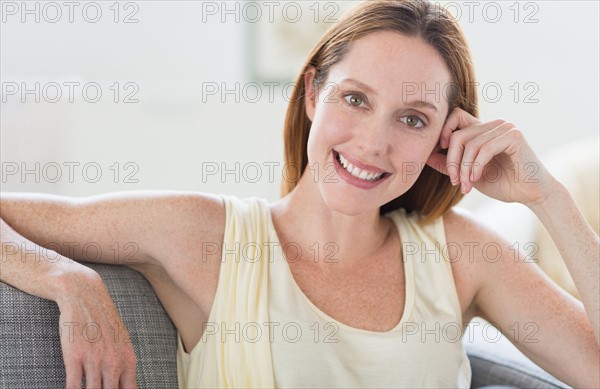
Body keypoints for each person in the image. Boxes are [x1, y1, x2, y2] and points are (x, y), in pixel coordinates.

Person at [1, 0, 598, 388]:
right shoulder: (208, 236)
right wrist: (64, 278)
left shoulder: (458, 254)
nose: (373, 143)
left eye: (412, 119)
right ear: (313, 94)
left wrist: (549, 198)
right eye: (356, 99)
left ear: (444, 137)